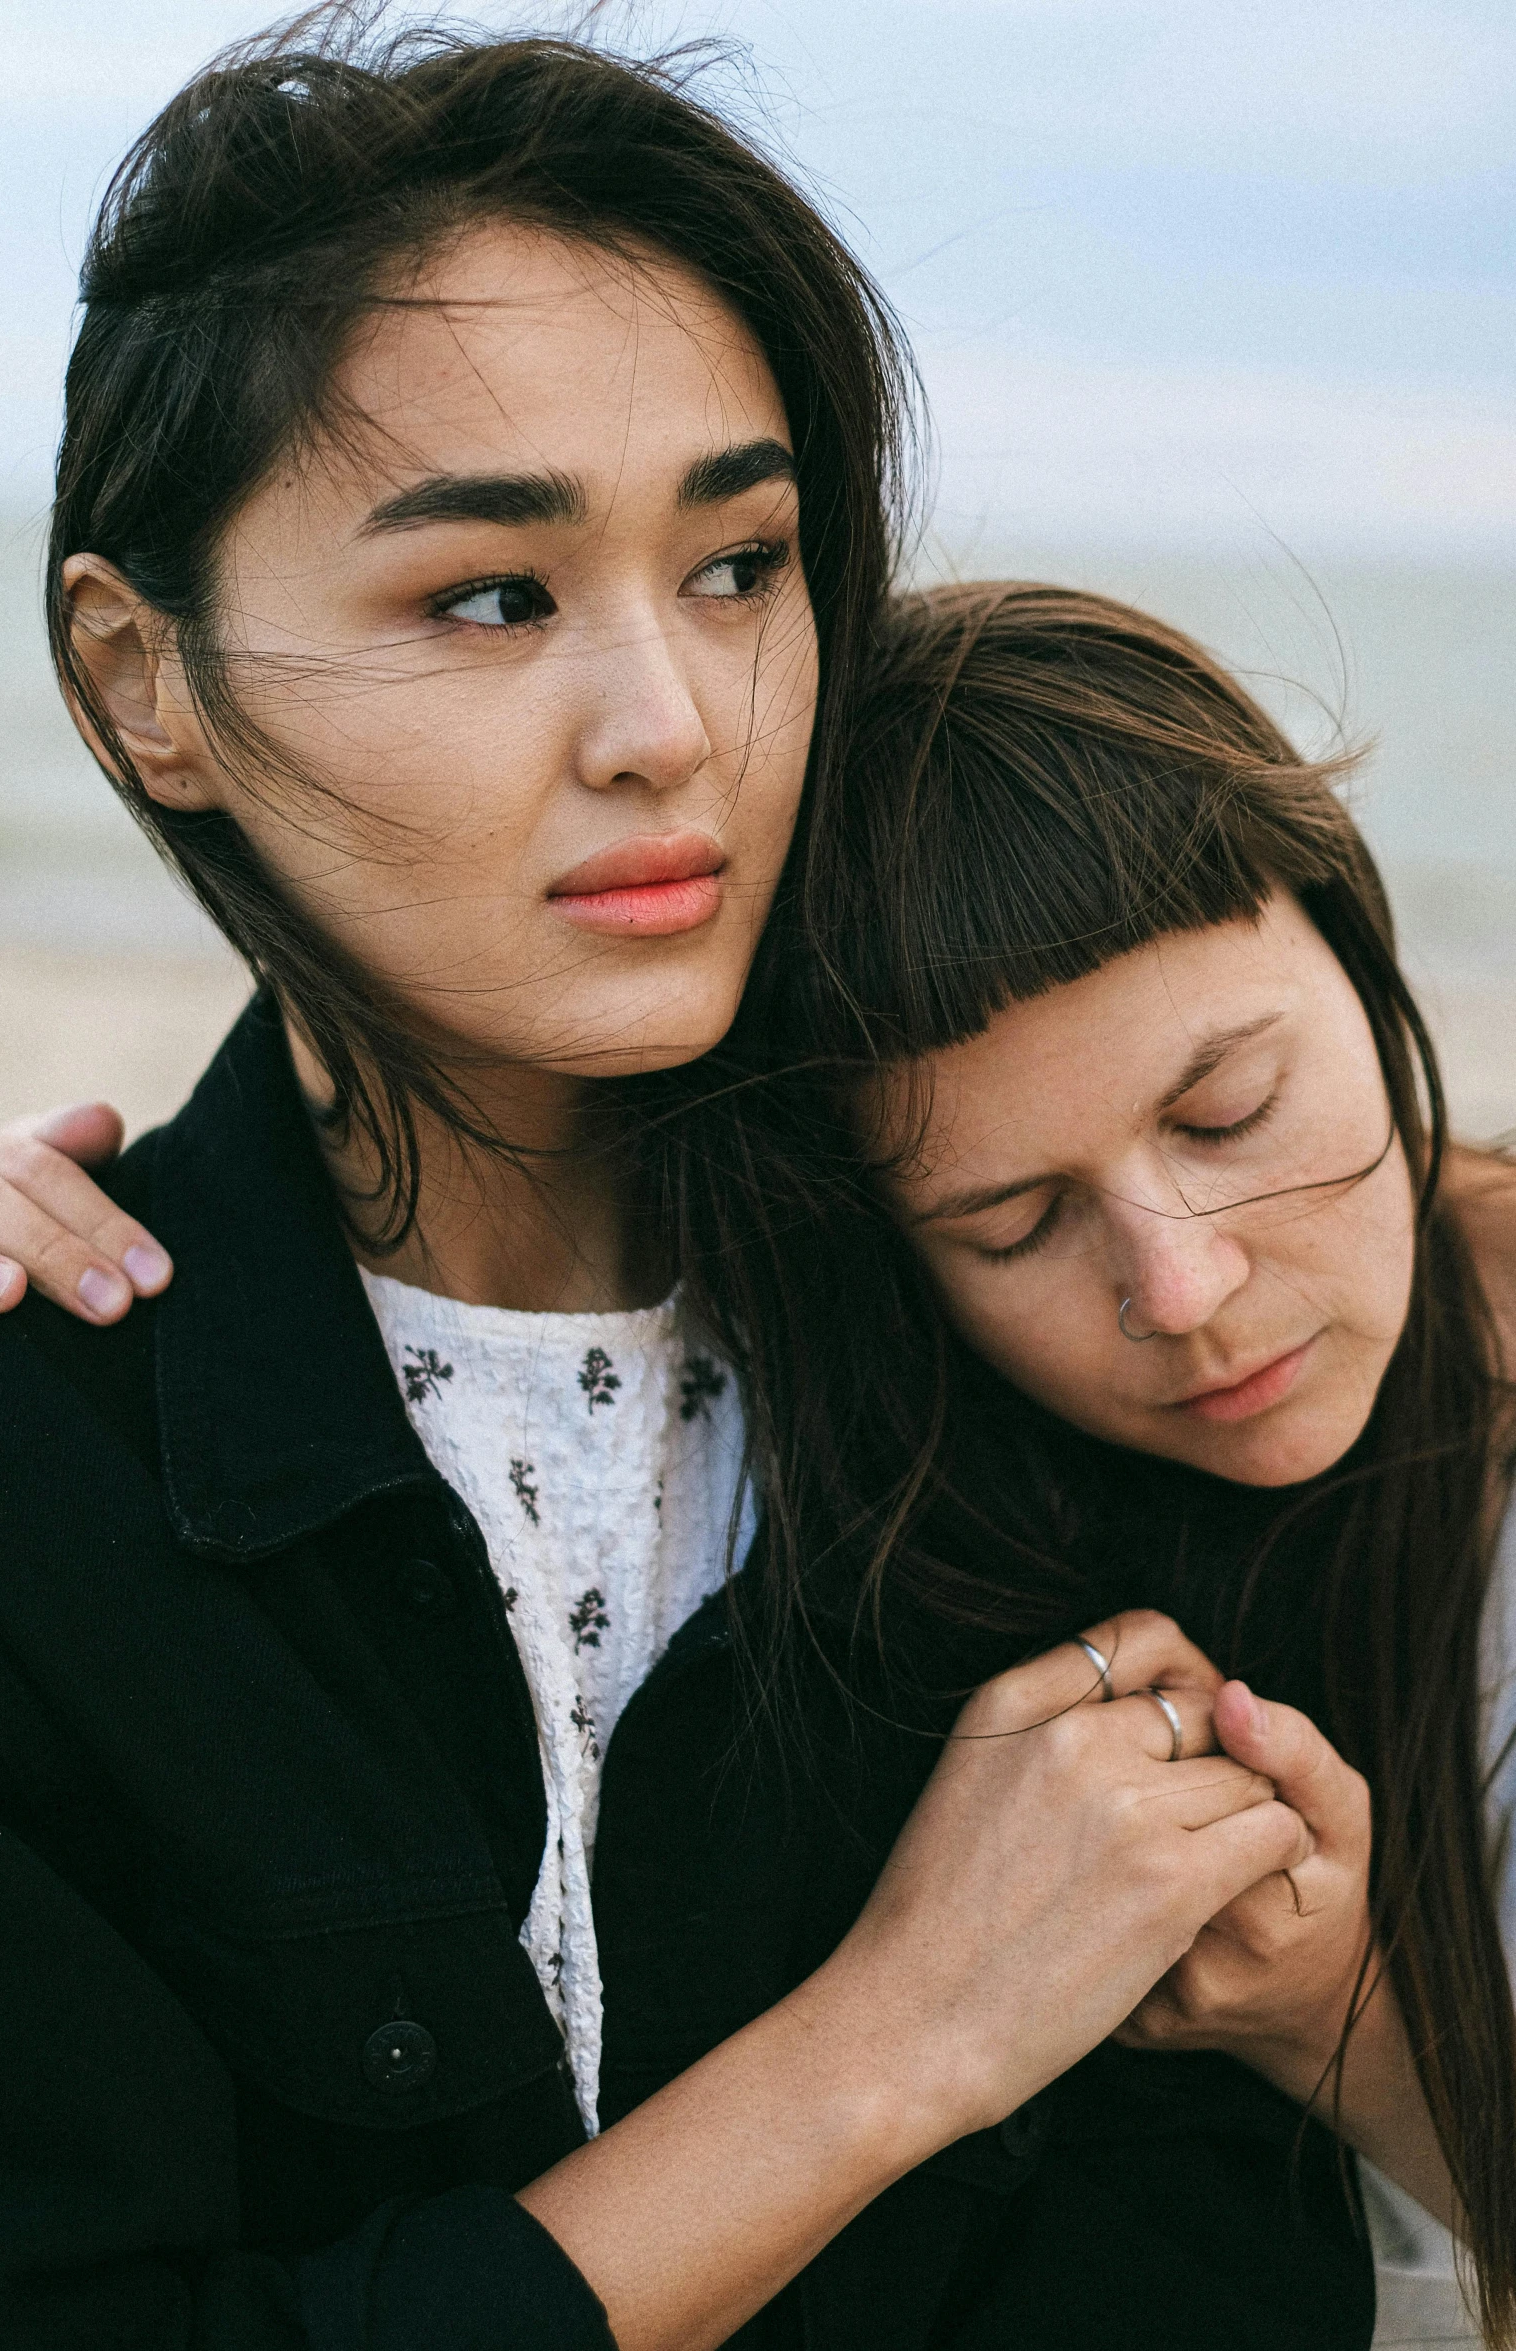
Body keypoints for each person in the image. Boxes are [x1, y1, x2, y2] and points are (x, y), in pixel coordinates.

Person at [0, 21, 1319, 2351]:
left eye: (742, 561)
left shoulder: (1062, 1367)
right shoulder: (8, 1486)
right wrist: (894, 2045)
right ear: (141, 676)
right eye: (489, 593)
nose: (670, 720)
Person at [588, 583, 1514, 2347]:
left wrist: (1340, 2012)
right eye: (1011, 1220)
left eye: (1227, 1110)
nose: (1183, 1291)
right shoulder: (861, 1456)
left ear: (1353, 942)